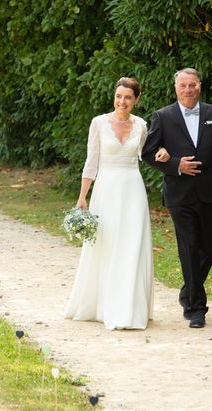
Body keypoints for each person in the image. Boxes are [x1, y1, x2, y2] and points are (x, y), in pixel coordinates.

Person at [141, 68, 212, 328]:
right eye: (183, 86)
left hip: (210, 192)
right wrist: (176, 164)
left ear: (199, 86)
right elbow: (148, 153)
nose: (188, 90)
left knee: (209, 247)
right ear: (176, 89)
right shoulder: (162, 117)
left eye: (192, 85)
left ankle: (188, 290)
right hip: (180, 194)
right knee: (189, 247)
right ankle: (196, 307)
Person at [64, 77, 169, 330]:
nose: (122, 101)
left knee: (131, 245)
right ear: (114, 96)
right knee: (107, 245)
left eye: (128, 98)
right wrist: (82, 197)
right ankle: (101, 304)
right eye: (119, 96)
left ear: (136, 100)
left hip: (132, 190)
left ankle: (130, 308)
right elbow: (91, 163)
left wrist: (164, 153)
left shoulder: (142, 126)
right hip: (106, 190)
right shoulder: (99, 123)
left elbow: (150, 154)